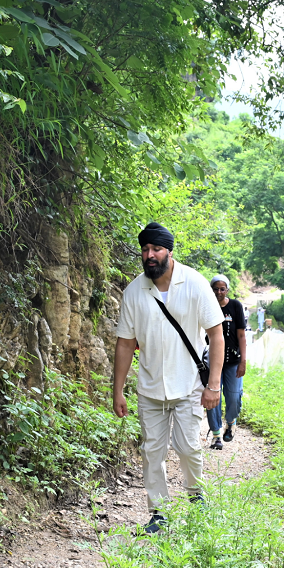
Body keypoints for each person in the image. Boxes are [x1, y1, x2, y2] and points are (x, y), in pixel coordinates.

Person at [113, 222, 224, 535]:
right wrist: (117, 390)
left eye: (156, 249)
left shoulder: (195, 284)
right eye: (145, 249)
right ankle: (158, 514)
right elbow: (125, 343)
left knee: (188, 447)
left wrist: (214, 385)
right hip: (150, 387)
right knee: (152, 452)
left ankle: (196, 497)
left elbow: (216, 335)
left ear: (169, 252)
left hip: (189, 385)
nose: (150, 255)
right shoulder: (134, 292)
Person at [206, 274, 246, 449]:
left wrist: (243, 360)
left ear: (227, 290)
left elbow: (241, 335)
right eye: (215, 289)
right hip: (212, 361)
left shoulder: (235, 306)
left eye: (222, 289)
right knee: (212, 395)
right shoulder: (206, 306)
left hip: (233, 361)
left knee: (234, 396)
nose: (219, 292)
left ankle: (230, 423)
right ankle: (216, 435)